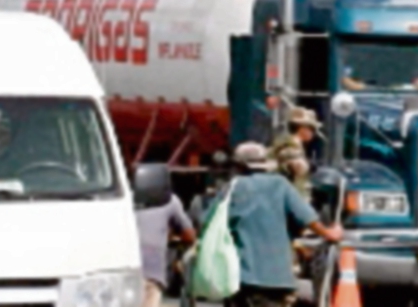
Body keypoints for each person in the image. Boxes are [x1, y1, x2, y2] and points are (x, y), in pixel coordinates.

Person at [218, 142, 342, 307]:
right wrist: (329, 233)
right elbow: (307, 217)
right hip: (279, 279)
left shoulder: (233, 188)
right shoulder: (280, 185)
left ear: (239, 166)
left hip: (243, 278)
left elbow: (209, 223)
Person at [135, 187, 196, 307]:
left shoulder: (124, 195)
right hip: (152, 273)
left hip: (122, 270)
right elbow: (190, 235)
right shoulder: (169, 200)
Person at [269, 107, 320, 198]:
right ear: (302, 128)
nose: (313, 133)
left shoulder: (294, 144)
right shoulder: (289, 144)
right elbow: (298, 168)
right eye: (311, 129)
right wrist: (310, 167)